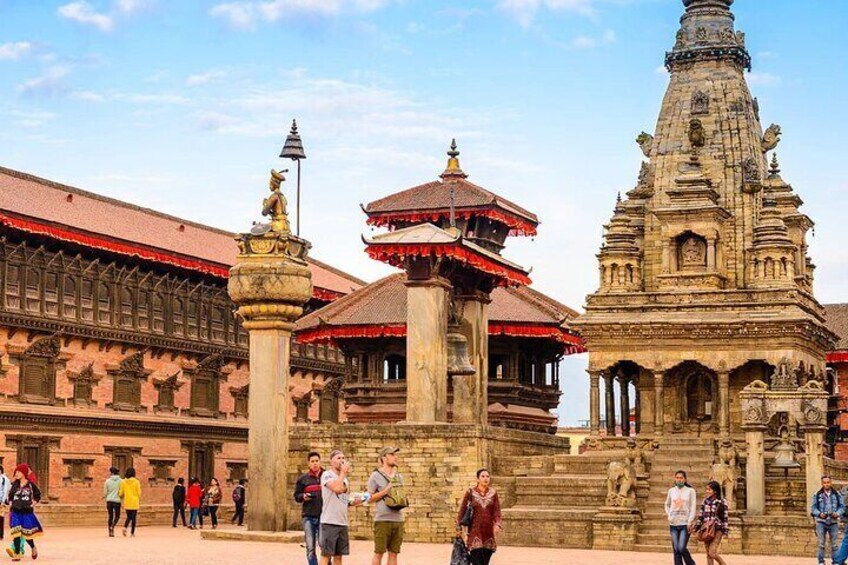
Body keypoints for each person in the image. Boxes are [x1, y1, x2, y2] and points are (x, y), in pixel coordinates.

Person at [320, 450, 366, 565]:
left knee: (339, 556)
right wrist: (343, 473)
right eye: (338, 458)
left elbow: (345, 500)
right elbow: (336, 488)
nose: (342, 460)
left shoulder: (345, 479)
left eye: (343, 457)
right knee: (326, 555)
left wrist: (362, 499)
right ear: (331, 461)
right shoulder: (327, 475)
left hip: (342, 522)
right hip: (329, 521)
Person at [367, 447, 406, 565]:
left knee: (394, 553)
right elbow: (368, 498)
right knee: (379, 552)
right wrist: (385, 491)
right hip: (382, 520)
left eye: (396, 454)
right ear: (384, 458)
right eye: (392, 454)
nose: (396, 457)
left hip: (398, 519)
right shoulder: (375, 475)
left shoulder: (399, 476)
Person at [456, 469, 502, 565]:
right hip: (474, 533)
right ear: (478, 479)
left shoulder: (493, 494)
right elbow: (462, 510)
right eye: (483, 476)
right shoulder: (470, 493)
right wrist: (458, 527)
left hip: (488, 535)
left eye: (487, 476)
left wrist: (498, 524)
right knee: (476, 562)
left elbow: (497, 511)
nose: (486, 478)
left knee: (485, 563)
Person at [6, 464, 42, 561]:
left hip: (26, 512)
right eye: (15, 472)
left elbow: (38, 495)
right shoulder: (14, 485)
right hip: (16, 512)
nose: (16, 474)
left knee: (27, 534)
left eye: (18, 472)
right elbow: (9, 496)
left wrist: (32, 504)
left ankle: (33, 547)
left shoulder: (30, 485)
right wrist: (10, 504)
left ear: (24, 473)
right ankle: (17, 554)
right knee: (16, 532)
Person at [294, 452, 323, 565]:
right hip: (308, 516)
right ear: (309, 464)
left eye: (317, 461)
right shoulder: (303, 479)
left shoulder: (327, 476)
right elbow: (296, 496)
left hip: (323, 516)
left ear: (320, 462)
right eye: (312, 461)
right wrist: (303, 497)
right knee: (310, 547)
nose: (315, 464)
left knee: (324, 545)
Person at [692, 480, 729, 565]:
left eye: (709, 490)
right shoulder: (705, 501)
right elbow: (701, 516)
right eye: (706, 489)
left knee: (712, 552)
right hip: (706, 529)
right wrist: (696, 527)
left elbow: (725, 518)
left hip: (718, 529)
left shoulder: (722, 502)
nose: (707, 491)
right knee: (708, 554)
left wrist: (726, 531)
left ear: (715, 491)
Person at [665, 470, 697, 565]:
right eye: (677, 478)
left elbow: (693, 506)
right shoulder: (671, 491)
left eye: (681, 478)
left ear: (685, 479)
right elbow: (666, 504)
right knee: (676, 549)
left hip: (685, 523)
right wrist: (669, 515)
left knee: (681, 548)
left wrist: (690, 521)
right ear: (675, 479)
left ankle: (691, 563)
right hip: (673, 523)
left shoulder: (690, 491)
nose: (679, 480)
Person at [811, 474, 844, 565]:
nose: (826, 484)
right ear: (822, 483)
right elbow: (813, 508)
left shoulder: (837, 494)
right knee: (821, 544)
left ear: (831, 482)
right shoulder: (817, 494)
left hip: (833, 521)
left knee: (834, 544)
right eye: (824, 483)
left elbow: (842, 507)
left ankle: (835, 562)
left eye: (828, 482)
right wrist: (819, 514)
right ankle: (821, 562)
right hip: (821, 522)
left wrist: (837, 513)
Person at [119, 467, 141, 537]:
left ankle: (125, 527)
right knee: (133, 518)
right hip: (134, 502)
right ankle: (132, 533)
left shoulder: (123, 482)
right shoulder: (137, 482)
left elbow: (121, 493)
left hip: (127, 501)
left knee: (128, 517)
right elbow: (139, 493)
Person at [103, 467, 122, 537]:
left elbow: (105, 492)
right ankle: (113, 526)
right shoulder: (121, 481)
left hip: (109, 501)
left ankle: (110, 532)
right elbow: (122, 491)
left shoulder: (107, 481)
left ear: (112, 473)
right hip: (117, 501)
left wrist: (104, 496)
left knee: (110, 516)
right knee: (117, 516)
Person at [0, 464, 11, 541]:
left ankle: (1, 534)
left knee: (1, 518)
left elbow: (6, 491)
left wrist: (3, 501)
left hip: (1, 501)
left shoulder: (5, 479)